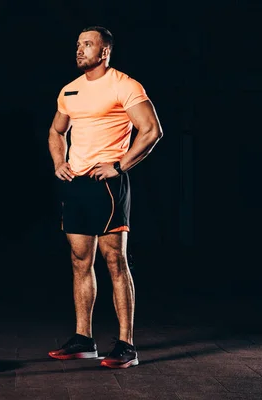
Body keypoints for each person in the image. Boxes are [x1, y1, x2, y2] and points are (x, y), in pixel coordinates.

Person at [46, 26, 163, 369]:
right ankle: (84, 339)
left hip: (107, 185)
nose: (80, 49)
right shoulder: (70, 90)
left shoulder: (124, 85)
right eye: (78, 44)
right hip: (77, 185)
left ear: (105, 51)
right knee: (80, 262)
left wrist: (119, 164)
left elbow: (152, 130)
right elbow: (56, 130)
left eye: (87, 44)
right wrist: (59, 162)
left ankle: (126, 346)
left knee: (115, 262)